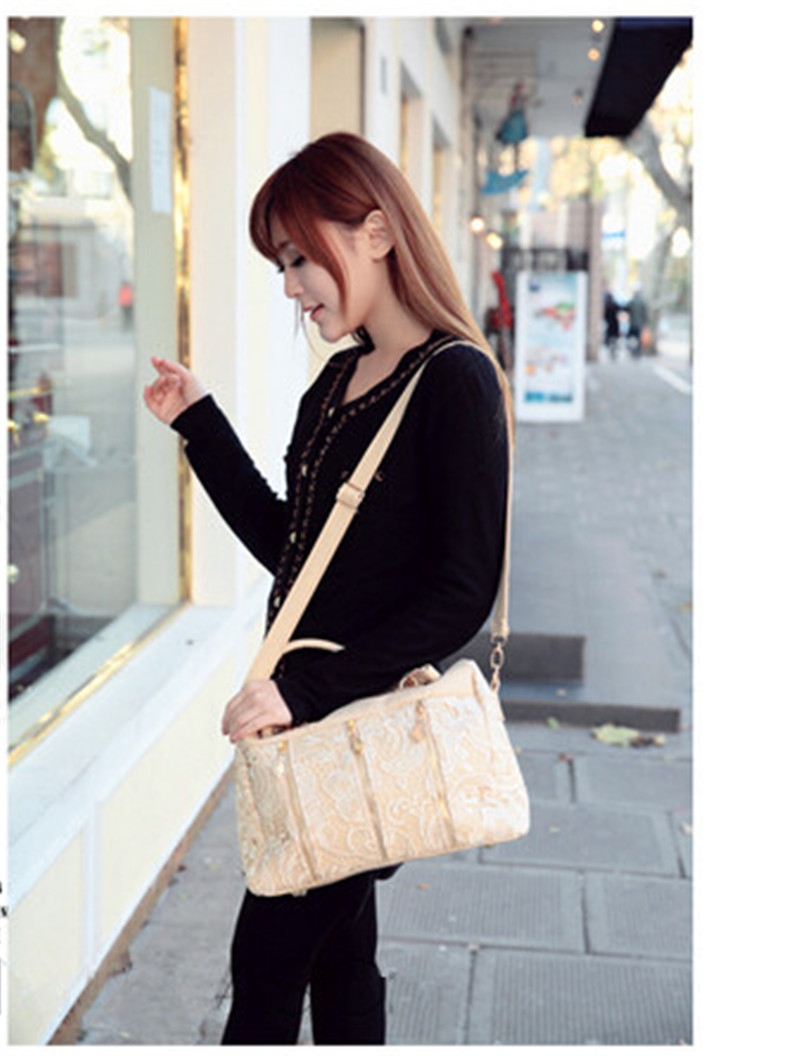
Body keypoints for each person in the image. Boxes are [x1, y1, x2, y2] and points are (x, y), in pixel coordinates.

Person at [143, 131, 511, 1046]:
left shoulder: (456, 381)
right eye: (281, 264)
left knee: (266, 967)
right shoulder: (339, 379)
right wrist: (200, 425)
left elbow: (462, 591)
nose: (290, 286)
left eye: (299, 257)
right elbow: (296, 552)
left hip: (363, 728)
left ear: (376, 232)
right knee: (341, 963)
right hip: (312, 738)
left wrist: (302, 691)